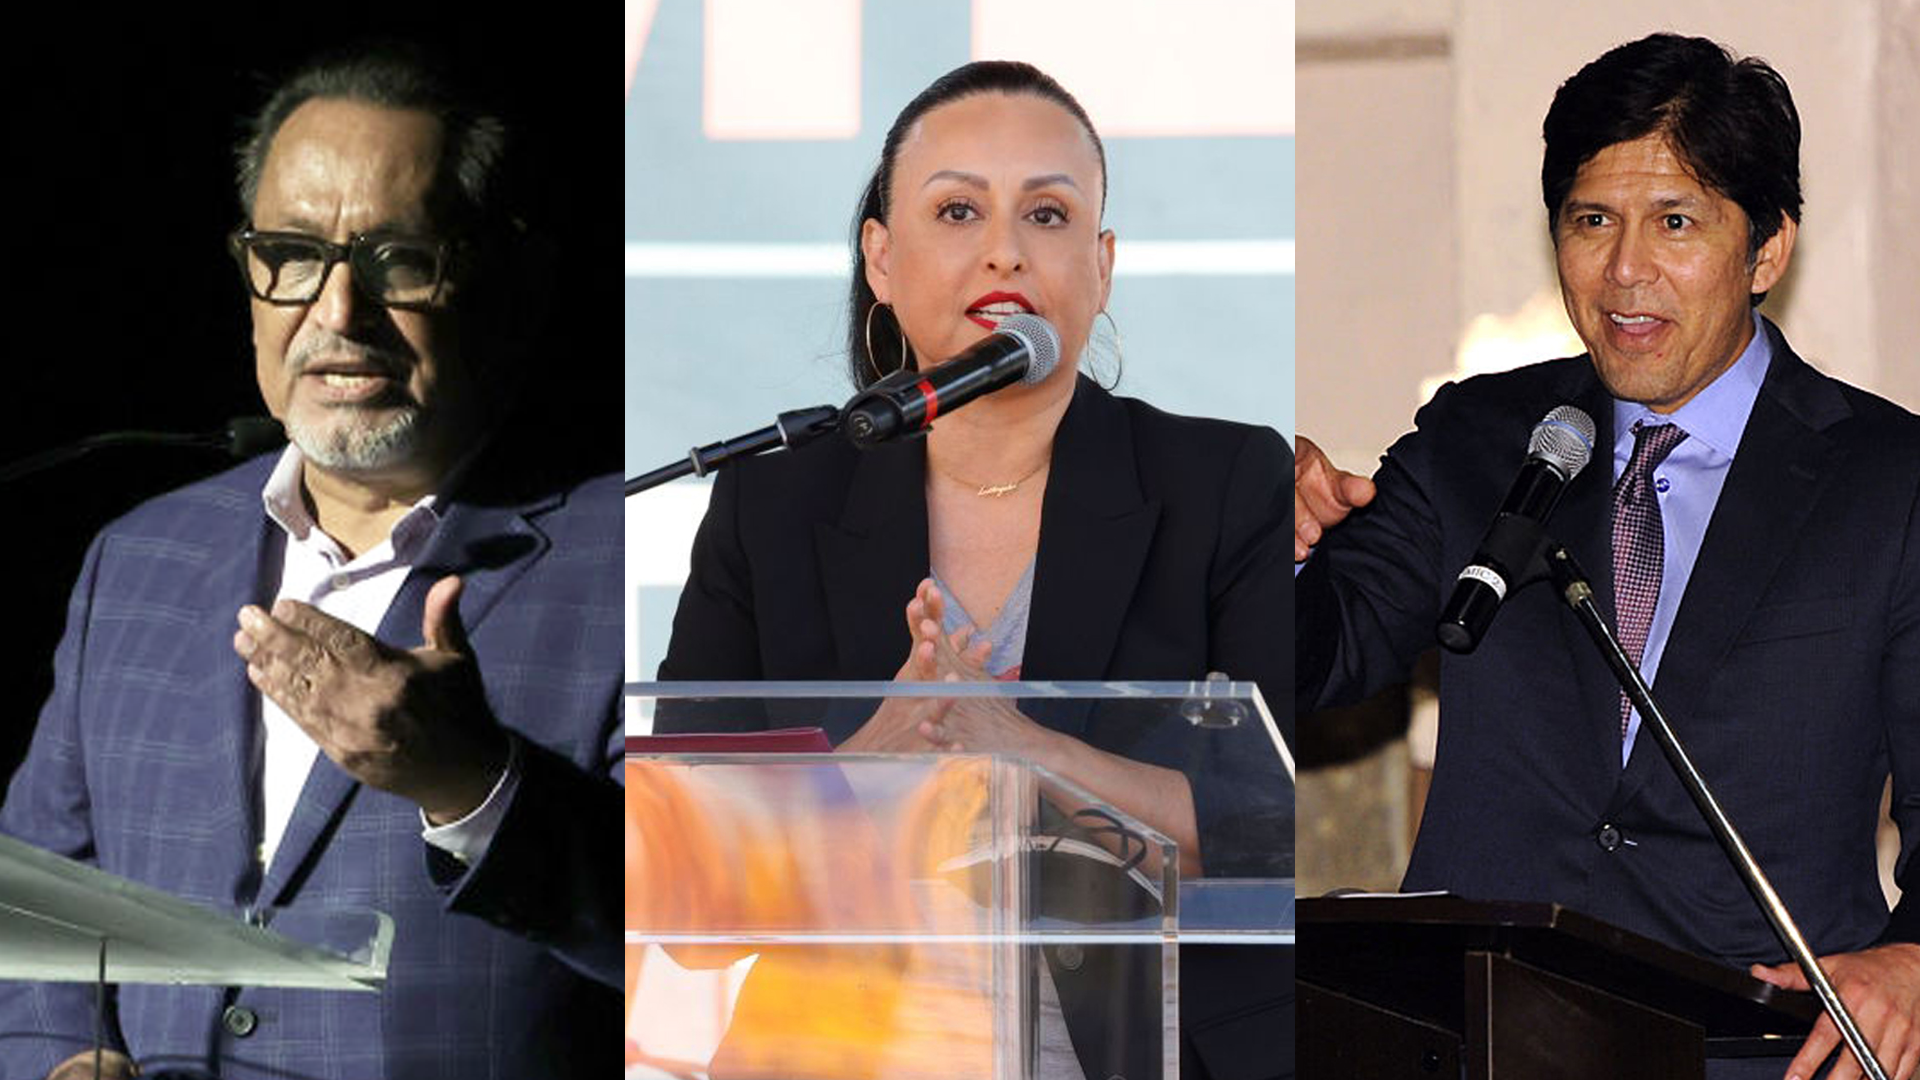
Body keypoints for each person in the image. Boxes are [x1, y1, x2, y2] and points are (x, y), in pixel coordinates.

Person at [1294, 33, 1919, 1080]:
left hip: (1753, 1051)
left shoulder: (1889, 483)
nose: (1626, 271)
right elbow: (1314, 660)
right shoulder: (1479, 440)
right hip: (1467, 1038)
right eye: (1593, 222)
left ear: (1768, 250)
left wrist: (1911, 960)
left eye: (1675, 223)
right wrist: (1259, 546)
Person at [656, 61, 1293, 1080]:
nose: (1004, 248)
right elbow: (685, 906)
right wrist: (879, 754)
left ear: (1102, 263)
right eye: (958, 209)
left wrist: (1018, 746)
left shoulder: (1221, 482)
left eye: (1047, 215)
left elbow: (1271, 835)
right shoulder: (773, 506)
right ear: (882, 258)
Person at [0, 44, 620, 1080]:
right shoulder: (140, 557)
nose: (338, 313)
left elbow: (734, 941)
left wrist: (478, 786)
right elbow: (37, 903)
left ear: (512, 286)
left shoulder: (646, 558)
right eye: (291, 253)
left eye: (400, 258)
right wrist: (63, 1057)